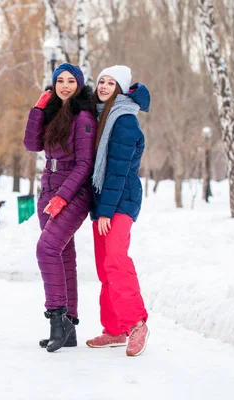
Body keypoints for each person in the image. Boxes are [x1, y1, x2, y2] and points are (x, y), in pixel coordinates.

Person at [23, 63, 97, 352]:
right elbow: (32, 145)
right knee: (63, 254)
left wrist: (64, 197)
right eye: (59, 81)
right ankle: (69, 327)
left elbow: (85, 164)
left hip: (74, 192)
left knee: (47, 249)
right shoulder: (53, 112)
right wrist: (38, 110)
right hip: (49, 189)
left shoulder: (83, 117)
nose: (64, 86)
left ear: (78, 85)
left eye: (70, 81)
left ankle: (57, 319)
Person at [85, 65, 151, 357]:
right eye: (101, 81)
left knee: (115, 260)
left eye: (111, 83)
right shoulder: (103, 116)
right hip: (105, 203)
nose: (104, 86)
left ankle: (136, 323)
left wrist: (106, 212)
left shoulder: (123, 120)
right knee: (104, 266)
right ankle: (114, 330)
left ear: (121, 89)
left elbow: (118, 171)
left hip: (119, 202)